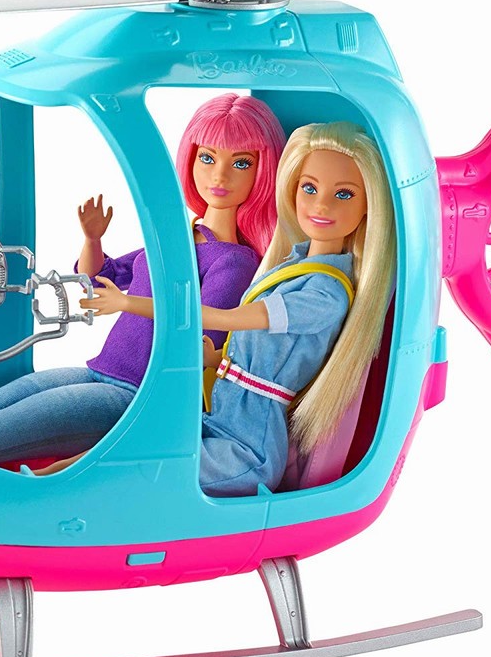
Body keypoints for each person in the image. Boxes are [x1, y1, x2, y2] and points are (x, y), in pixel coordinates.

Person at [0, 94, 287, 464]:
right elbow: (101, 276)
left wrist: (126, 303)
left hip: (135, 399)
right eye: (207, 157)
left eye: (240, 163)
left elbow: (197, 330)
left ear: (263, 171)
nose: (219, 175)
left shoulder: (235, 261)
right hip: (100, 371)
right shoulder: (180, 239)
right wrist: (93, 239)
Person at [83, 122, 396, 495]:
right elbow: (263, 349)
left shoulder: (325, 292)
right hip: (214, 420)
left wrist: (127, 303)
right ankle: (49, 478)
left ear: (368, 206)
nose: (322, 205)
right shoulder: (289, 266)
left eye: (344, 194)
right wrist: (216, 358)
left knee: (128, 471)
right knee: (112, 456)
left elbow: (228, 319)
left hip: (246, 449)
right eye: (309, 189)